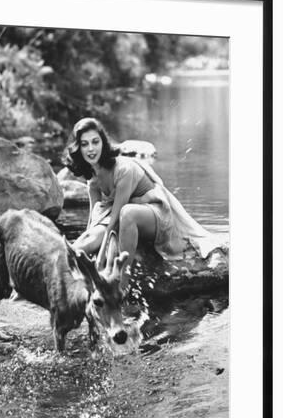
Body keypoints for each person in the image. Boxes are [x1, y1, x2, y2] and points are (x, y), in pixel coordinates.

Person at [65, 117, 221, 293]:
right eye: (85, 144)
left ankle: (122, 283)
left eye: (95, 142)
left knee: (127, 214)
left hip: (154, 214)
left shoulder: (124, 169)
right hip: (120, 217)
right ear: (78, 148)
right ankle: (61, 270)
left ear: (103, 142)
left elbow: (115, 218)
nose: (91, 149)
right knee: (88, 239)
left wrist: (101, 257)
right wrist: (87, 245)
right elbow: (94, 218)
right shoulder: (92, 179)